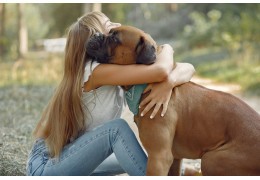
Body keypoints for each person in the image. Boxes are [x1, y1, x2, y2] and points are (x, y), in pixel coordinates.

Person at [26, 11, 195, 176]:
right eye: (109, 26)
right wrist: (167, 48)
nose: (117, 25)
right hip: (45, 165)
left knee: (134, 150)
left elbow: (188, 68)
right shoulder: (95, 71)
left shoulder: (111, 68)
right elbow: (161, 70)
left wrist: (170, 82)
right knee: (117, 131)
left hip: (68, 155)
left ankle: (178, 172)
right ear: (95, 38)